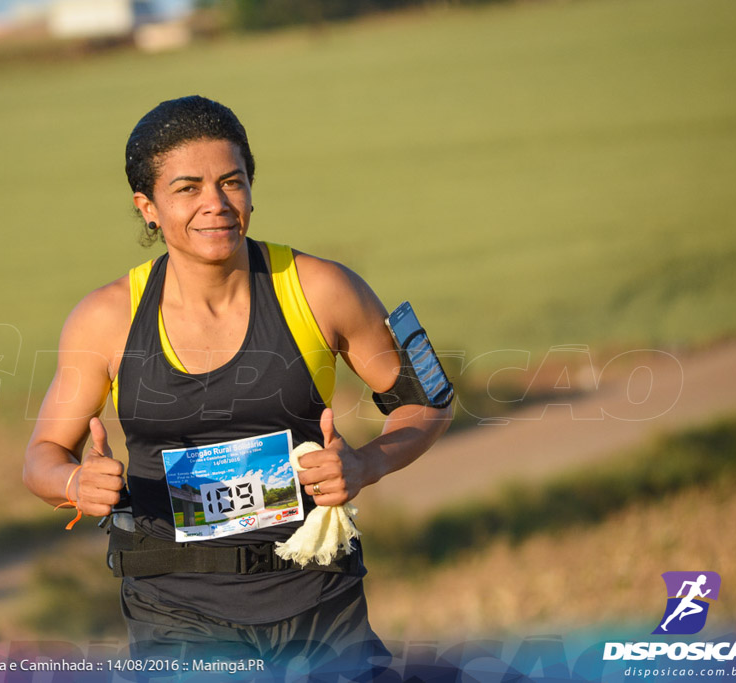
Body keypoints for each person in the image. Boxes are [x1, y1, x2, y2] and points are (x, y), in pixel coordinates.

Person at [23, 95, 453, 679]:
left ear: (251, 188)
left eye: (232, 182)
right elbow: (41, 459)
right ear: (147, 207)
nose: (215, 205)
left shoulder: (321, 289)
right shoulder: (106, 319)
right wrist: (75, 481)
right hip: (173, 608)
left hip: (317, 596)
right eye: (187, 189)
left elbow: (427, 402)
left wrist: (367, 465)